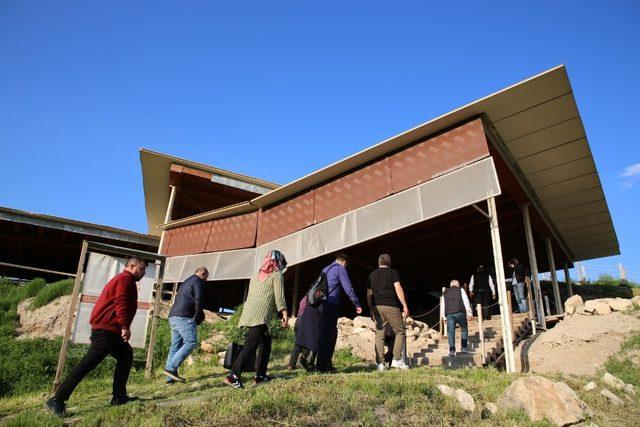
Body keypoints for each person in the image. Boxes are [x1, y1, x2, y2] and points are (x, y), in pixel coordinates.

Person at [46, 257, 147, 416]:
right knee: (88, 363)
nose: (144, 273)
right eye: (141, 269)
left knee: (126, 355)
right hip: (106, 329)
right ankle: (57, 400)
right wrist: (125, 326)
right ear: (131, 266)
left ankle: (119, 397)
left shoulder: (126, 280)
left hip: (111, 330)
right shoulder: (124, 279)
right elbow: (120, 302)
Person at [224, 250, 288, 389]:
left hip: (249, 311)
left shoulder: (256, 274)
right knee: (251, 344)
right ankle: (233, 376)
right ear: (279, 262)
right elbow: (279, 297)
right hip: (261, 314)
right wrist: (284, 314)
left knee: (265, 342)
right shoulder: (276, 275)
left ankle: (260, 375)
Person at [315, 253, 362, 372]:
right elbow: (348, 288)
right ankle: (323, 365)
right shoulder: (340, 269)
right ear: (344, 262)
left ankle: (323, 363)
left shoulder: (325, 269)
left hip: (321, 304)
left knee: (326, 333)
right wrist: (357, 304)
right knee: (329, 334)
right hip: (331, 304)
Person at [164, 267, 209, 383]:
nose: (206, 280)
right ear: (202, 274)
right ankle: (171, 368)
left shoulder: (186, 281)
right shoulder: (198, 281)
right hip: (184, 317)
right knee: (191, 342)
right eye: (206, 277)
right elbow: (199, 299)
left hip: (173, 316)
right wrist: (199, 314)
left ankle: (169, 378)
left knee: (175, 346)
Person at [368, 253, 409, 371]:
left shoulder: (371, 275)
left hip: (377, 307)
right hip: (391, 305)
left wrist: (371, 309)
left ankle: (380, 364)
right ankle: (397, 359)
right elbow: (398, 288)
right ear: (389, 263)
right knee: (400, 331)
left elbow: (369, 294)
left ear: (379, 263)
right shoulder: (393, 272)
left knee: (379, 335)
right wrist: (404, 305)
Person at [442, 279, 473, 357]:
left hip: (449, 314)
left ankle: (452, 350)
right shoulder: (461, 290)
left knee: (450, 332)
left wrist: (444, 317)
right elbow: (466, 301)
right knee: (464, 328)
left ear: (450, 285)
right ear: (458, 285)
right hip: (460, 312)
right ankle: (464, 348)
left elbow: (443, 305)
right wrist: (469, 313)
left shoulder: (445, 293)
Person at [288, 294, 316, 371]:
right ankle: (303, 360)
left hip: (298, 321)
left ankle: (291, 365)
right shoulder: (313, 298)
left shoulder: (305, 298)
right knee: (309, 343)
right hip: (305, 322)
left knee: (298, 344)